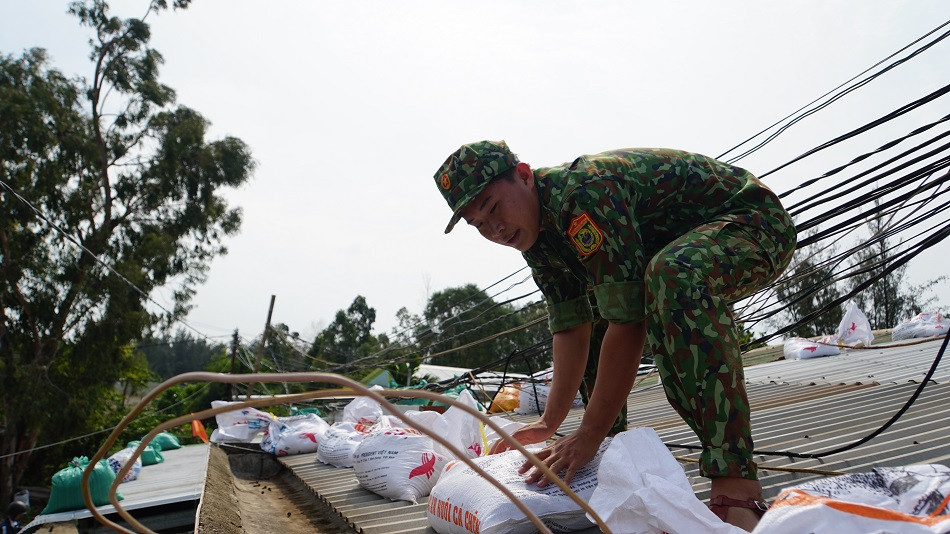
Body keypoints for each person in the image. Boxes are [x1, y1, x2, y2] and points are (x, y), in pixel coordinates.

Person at [433, 140, 796, 531]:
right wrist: (550, 424)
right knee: (608, 304)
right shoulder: (537, 237)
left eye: (493, 207)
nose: (495, 229)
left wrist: (588, 431)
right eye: (479, 225)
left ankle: (738, 486)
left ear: (524, 175)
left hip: (753, 224)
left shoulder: (582, 194)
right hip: (688, 250)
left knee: (670, 276)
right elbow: (572, 328)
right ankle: (610, 456)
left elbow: (630, 323)